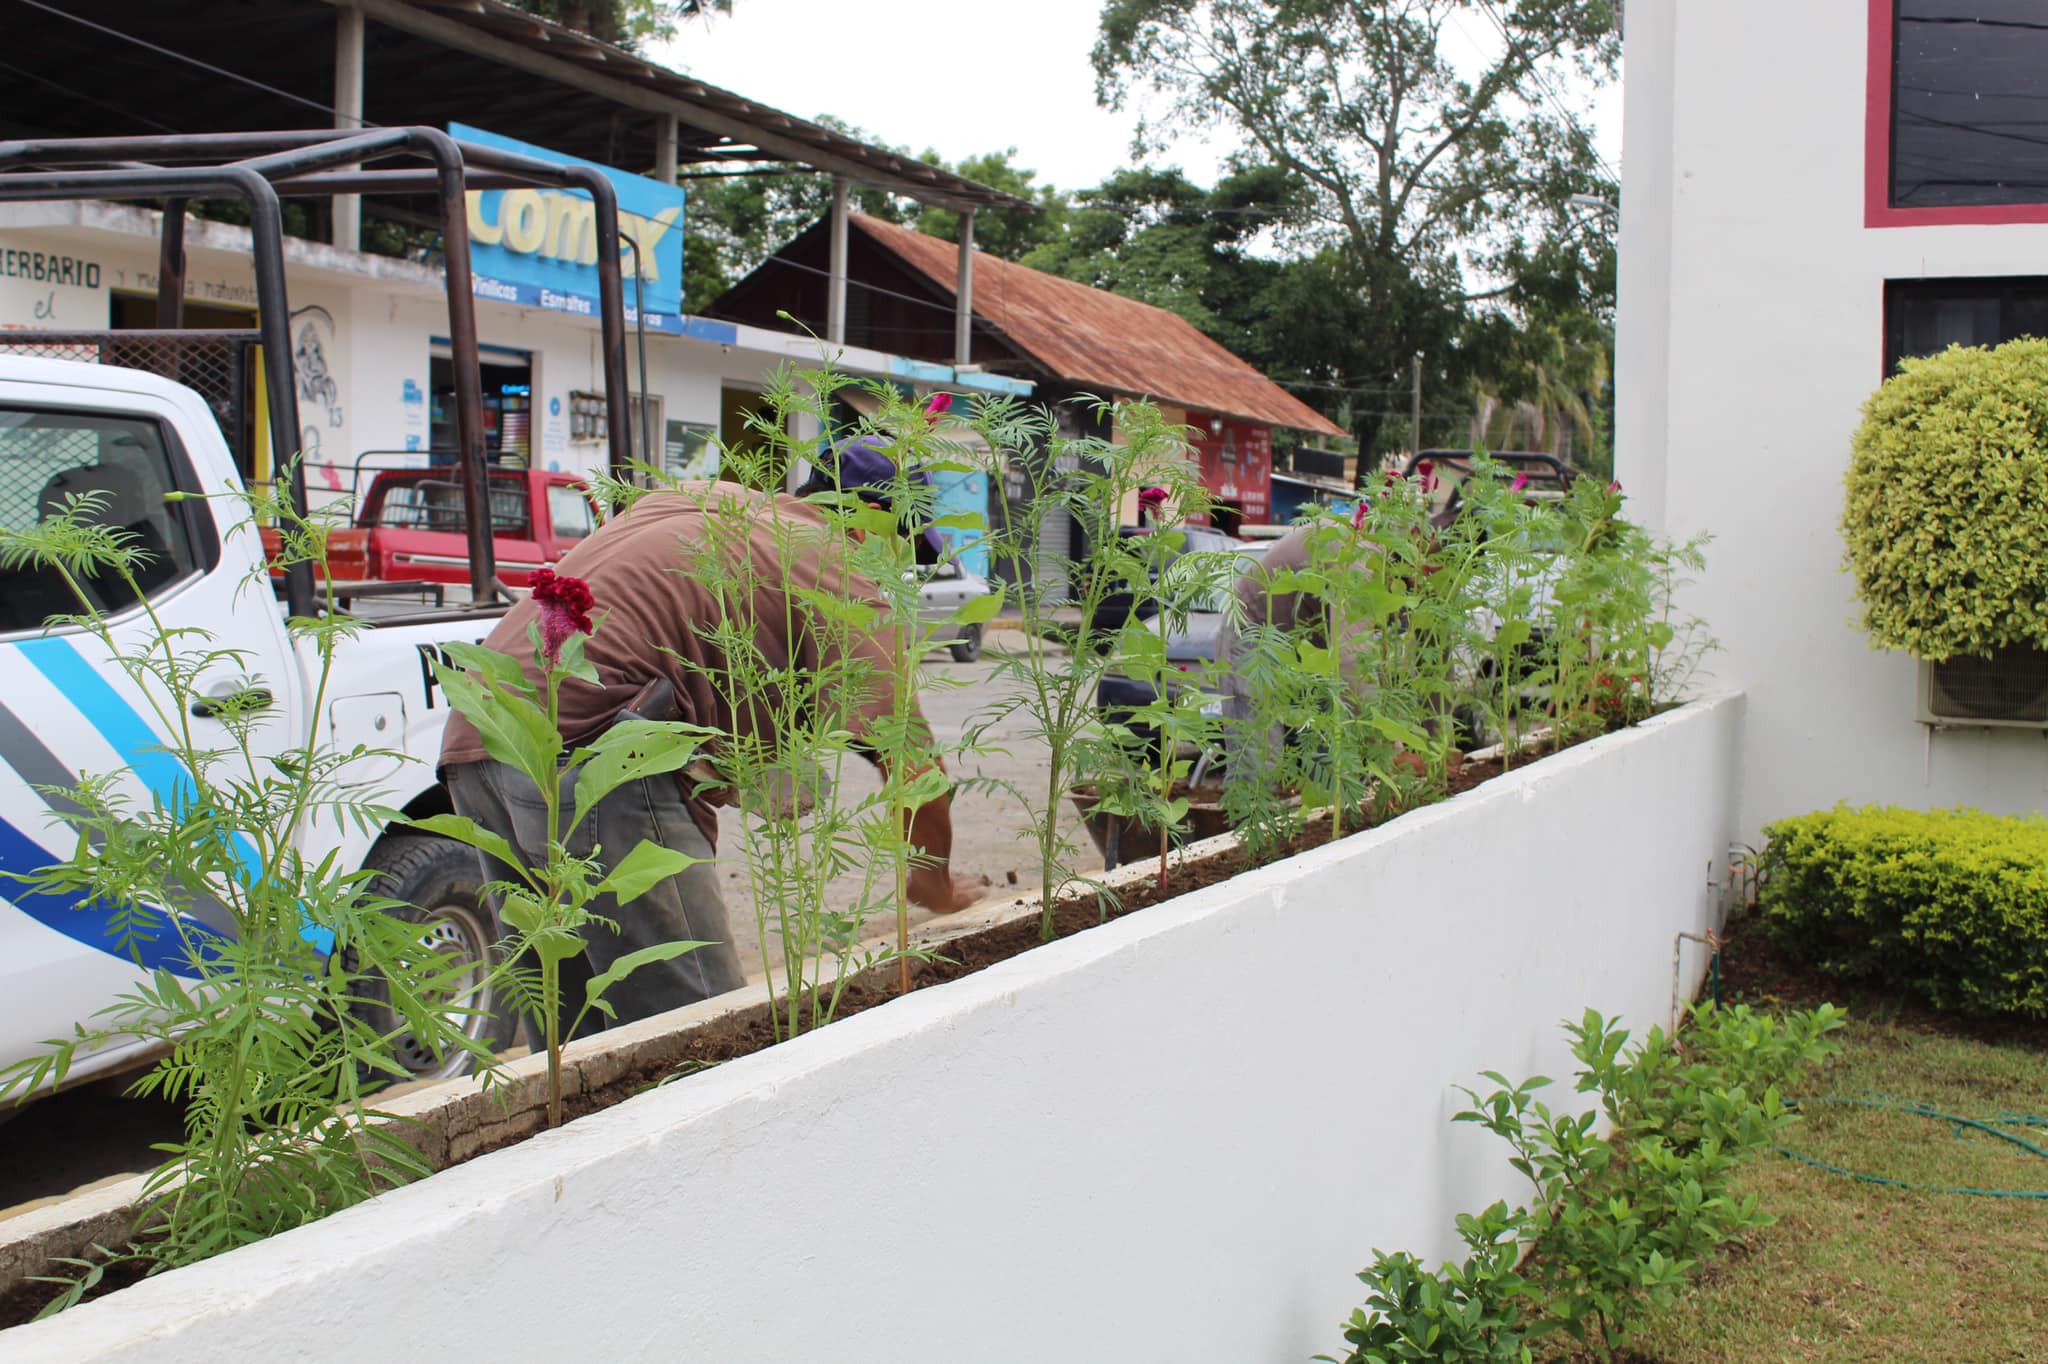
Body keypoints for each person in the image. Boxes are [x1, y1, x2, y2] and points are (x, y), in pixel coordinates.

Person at [439, 437, 982, 1038]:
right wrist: (932, 881)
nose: (898, 561)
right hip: (596, 752)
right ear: (873, 525)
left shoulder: (704, 498)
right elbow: (912, 765)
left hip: (479, 730)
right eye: (903, 541)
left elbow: (669, 622)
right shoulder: (835, 568)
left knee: (572, 1045)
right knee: (703, 1034)